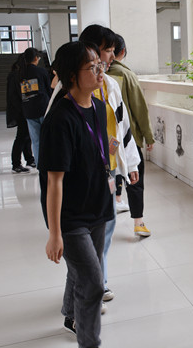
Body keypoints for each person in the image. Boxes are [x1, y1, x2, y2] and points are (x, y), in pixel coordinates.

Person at [39, 41, 112, 348]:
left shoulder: (98, 107)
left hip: (98, 206)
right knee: (93, 283)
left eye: (100, 65)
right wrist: (55, 234)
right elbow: (53, 182)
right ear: (71, 76)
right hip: (71, 217)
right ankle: (89, 342)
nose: (100, 71)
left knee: (82, 272)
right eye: (92, 67)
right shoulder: (59, 119)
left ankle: (71, 313)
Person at [79, 24, 141, 310]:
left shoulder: (111, 85)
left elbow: (123, 127)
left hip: (108, 169)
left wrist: (132, 163)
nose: (112, 56)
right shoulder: (71, 88)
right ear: (90, 51)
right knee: (86, 234)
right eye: (107, 50)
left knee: (104, 230)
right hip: (83, 173)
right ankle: (88, 288)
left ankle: (99, 282)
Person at [108, 33, 154, 237]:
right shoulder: (126, 75)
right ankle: (138, 222)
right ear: (123, 51)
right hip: (128, 137)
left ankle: (116, 202)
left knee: (112, 172)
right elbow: (140, 110)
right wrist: (148, 136)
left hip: (108, 139)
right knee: (135, 177)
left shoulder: (100, 75)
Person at [18, 47, 52, 166]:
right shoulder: (41, 71)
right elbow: (48, 90)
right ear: (36, 58)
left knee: (36, 140)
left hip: (28, 110)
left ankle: (39, 164)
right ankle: (49, 163)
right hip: (43, 108)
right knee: (47, 138)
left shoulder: (21, 73)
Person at [6, 54, 35, 174]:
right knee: (21, 137)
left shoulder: (20, 74)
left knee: (27, 136)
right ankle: (16, 163)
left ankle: (29, 159)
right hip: (20, 110)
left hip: (23, 109)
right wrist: (23, 109)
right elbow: (14, 96)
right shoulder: (15, 75)